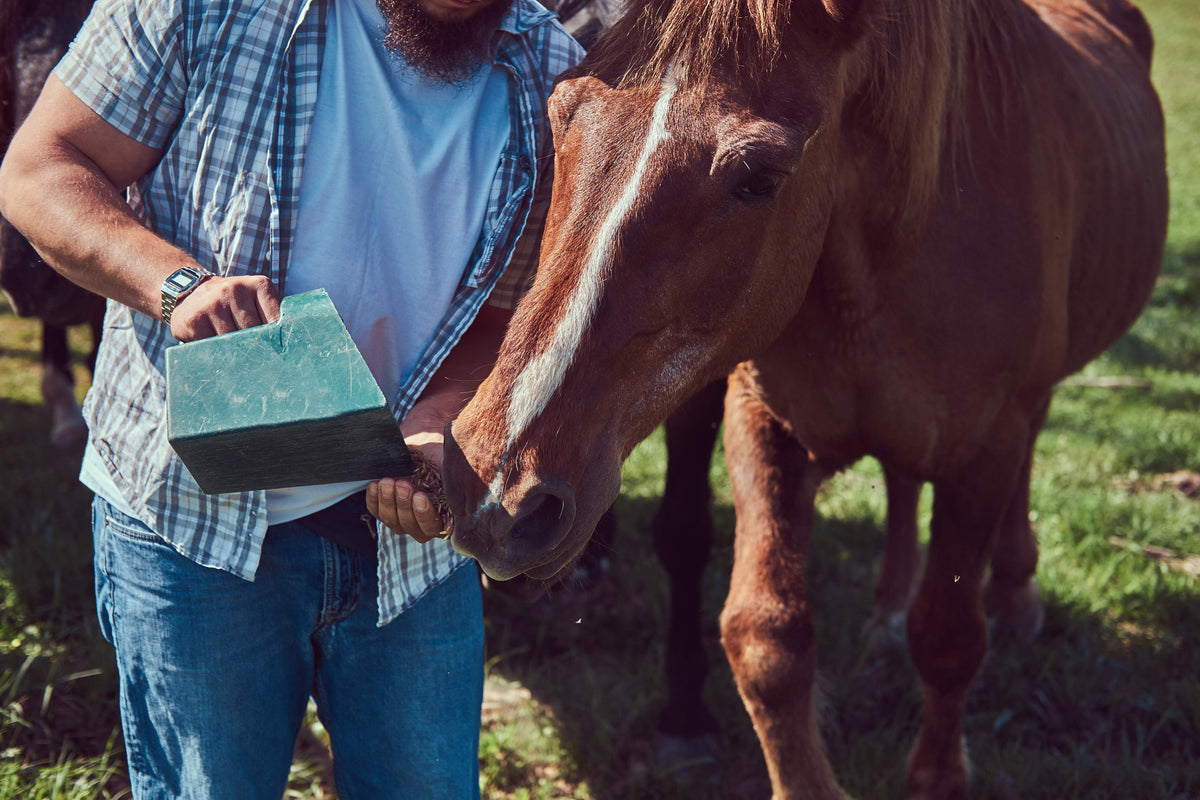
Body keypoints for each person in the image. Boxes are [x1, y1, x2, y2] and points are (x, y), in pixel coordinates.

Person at [0, 0, 583, 795]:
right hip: (193, 529)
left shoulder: (550, 70)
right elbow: (41, 166)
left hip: (408, 547)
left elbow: (509, 307)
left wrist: (439, 421)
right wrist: (174, 285)